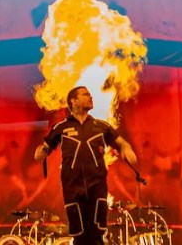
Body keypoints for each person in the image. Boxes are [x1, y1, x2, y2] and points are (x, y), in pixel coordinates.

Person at [34, 86, 138, 245]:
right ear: (74, 101)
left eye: (90, 94)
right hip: (72, 189)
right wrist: (41, 152)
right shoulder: (61, 127)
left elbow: (122, 144)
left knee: (97, 235)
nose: (91, 97)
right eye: (85, 94)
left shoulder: (102, 126)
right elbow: (43, 150)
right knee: (79, 235)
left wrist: (127, 150)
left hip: (97, 188)